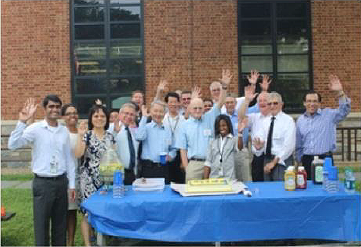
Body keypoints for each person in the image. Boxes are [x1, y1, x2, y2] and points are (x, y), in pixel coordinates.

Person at [8, 95, 76, 246]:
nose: (55, 109)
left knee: (60, 225)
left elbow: (69, 158)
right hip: (43, 184)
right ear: (45, 109)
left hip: (60, 182)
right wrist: (22, 122)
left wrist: (72, 185)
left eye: (57, 106)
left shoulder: (64, 131)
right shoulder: (35, 129)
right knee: (41, 226)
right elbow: (12, 145)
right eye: (51, 106)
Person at [176, 69, 231, 182]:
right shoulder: (184, 125)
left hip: (212, 163)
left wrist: (224, 87)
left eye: (200, 108)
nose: (197, 110)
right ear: (189, 109)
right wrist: (187, 168)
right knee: (193, 196)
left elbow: (220, 103)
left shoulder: (210, 117)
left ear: (204, 109)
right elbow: (183, 149)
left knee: (213, 194)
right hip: (194, 165)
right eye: (195, 108)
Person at [296, 75, 351, 178]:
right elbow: (299, 145)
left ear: (319, 103)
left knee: (327, 188)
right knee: (308, 189)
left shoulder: (329, 115)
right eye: (309, 101)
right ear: (304, 103)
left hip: (325, 159)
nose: (312, 104)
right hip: (307, 160)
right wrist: (299, 161)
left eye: (315, 101)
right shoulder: (300, 120)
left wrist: (340, 93)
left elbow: (344, 111)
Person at [74, 104, 114, 247]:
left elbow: (113, 158)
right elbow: (78, 154)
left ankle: (102, 240)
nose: (99, 118)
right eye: (96, 116)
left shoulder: (110, 136)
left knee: (104, 210)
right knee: (88, 212)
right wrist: (79, 136)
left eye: (102, 116)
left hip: (106, 180)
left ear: (107, 118)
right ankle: (88, 244)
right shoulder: (87, 135)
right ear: (91, 118)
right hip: (88, 180)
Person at [238, 71, 272, 182]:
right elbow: (241, 116)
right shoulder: (254, 117)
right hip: (257, 157)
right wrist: (247, 100)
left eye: (265, 101)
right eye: (260, 101)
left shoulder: (276, 118)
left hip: (273, 156)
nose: (262, 102)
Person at [256, 92, 296, 181]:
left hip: (282, 161)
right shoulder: (265, 122)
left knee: (282, 190)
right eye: (269, 103)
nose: (272, 106)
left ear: (281, 104)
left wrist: (273, 163)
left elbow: (289, 146)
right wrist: (259, 147)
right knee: (268, 191)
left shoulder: (288, 121)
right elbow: (260, 141)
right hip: (267, 161)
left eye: (275, 103)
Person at [135, 101, 175, 183]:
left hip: (164, 168)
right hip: (148, 168)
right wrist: (144, 118)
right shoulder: (146, 127)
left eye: (161, 111)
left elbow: (173, 148)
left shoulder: (168, 129)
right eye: (155, 111)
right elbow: (139, 136)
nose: (158, 114)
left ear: (165, 113)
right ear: (151, 112)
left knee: (164, 193)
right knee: (148, 194)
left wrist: (171, 156)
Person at [204, 115, 247, 180]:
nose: (221, 128)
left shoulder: (234, 140)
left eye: (224, 125)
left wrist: (240, 133)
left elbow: (240, 148)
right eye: (219, 126)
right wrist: (205, 180)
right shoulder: (212, 141)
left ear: (228, 126)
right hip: (214, 178)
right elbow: (208, 162)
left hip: (229, 178)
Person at [61, 104, 80, 246]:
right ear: (63, 117)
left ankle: (71, 242)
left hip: (80, 177)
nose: (72, 115)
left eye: (74, 113)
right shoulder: (61, 133)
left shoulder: (82, 132)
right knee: (64, 211)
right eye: (68, 113)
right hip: (64, 178)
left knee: (73, 212)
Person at [114, 103, 140, 185]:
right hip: (117, 173)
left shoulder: (132, 131)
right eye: (126, 113)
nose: (129, 116)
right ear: (120, 114)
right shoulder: (112, 128)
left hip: (132, 174)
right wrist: (115, 132)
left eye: (132, 114)